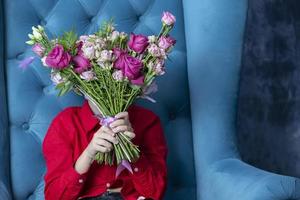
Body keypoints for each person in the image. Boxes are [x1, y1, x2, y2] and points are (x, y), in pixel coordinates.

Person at [42, 99, 167, 200]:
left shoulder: (147, 120)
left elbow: (155, 193)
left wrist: (130, 147)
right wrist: (88, 153)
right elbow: (54, 197)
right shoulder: (65, 122)